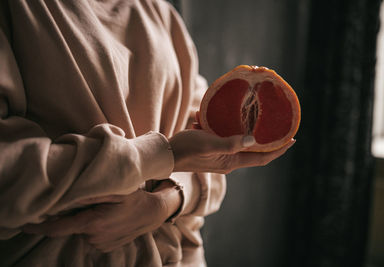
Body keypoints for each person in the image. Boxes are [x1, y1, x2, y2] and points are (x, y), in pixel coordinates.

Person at [0, 0, 295, 266]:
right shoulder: (18, 11)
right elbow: (11, 172)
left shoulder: (162, 15)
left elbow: (212, 169)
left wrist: (162, 205)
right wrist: (164, 155)